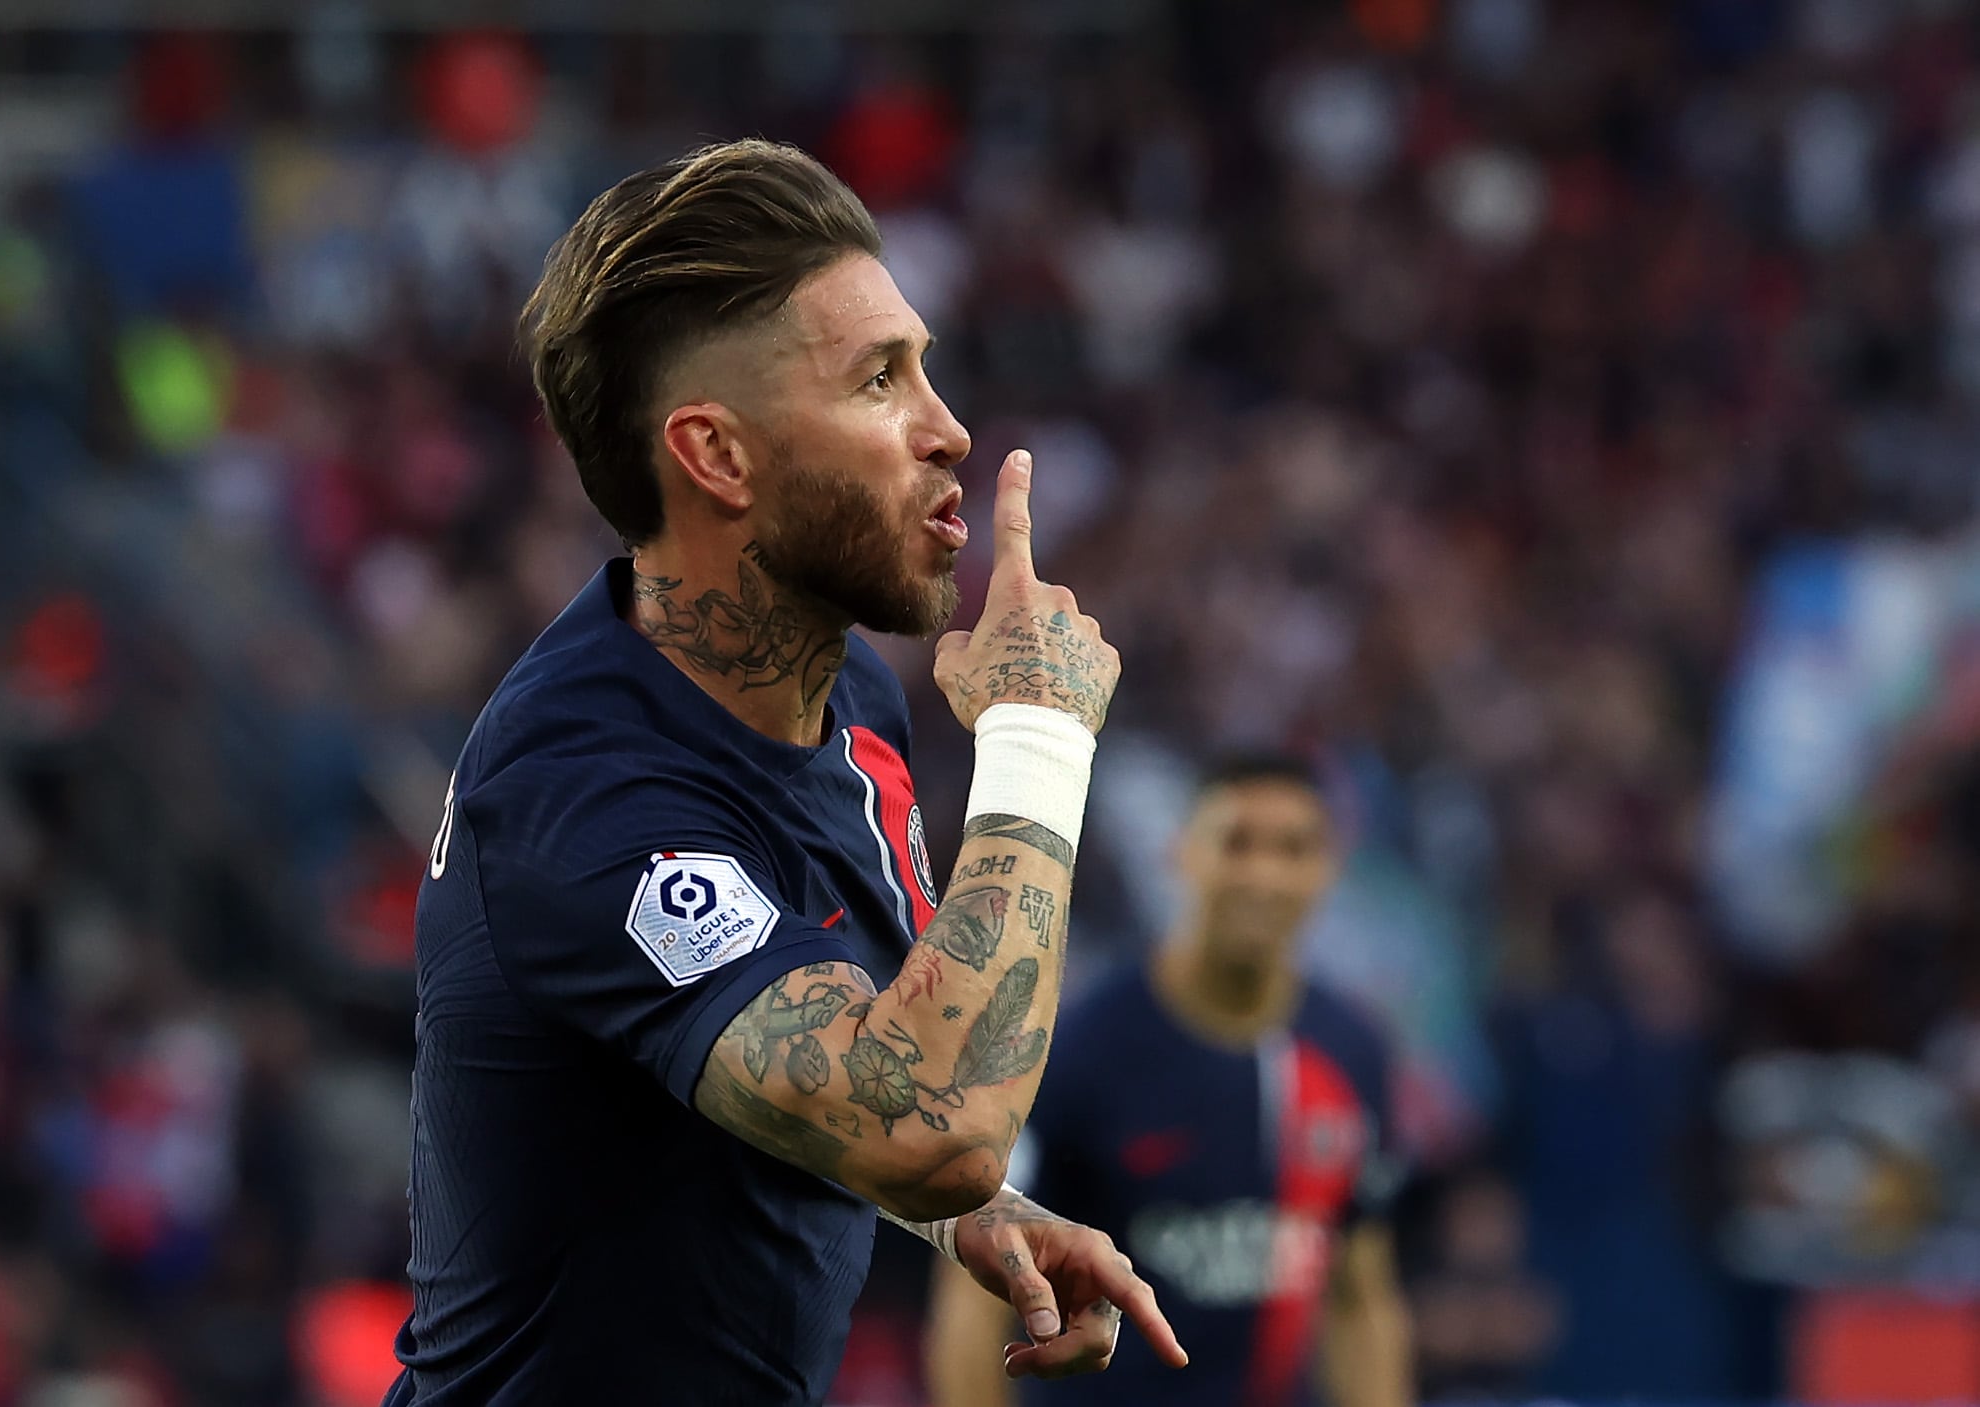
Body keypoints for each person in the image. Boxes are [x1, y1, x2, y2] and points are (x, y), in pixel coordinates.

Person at [382, 139, 1186, 1407]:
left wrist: (964, 1218)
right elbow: (931, 1121)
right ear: (716, 455)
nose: (948, 430)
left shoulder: (846, 694)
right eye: (879, 381)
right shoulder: (580, 798)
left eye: (924, 367)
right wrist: (1037, 739)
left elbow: (847, 1063)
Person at [926, 754, 1412, 1407]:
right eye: (1237, 842)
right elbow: (974, 1299)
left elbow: (1361, 1299)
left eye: (1293, 848)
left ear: (1328, 868)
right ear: (1180, 852)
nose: (1264, 874)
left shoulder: (1351, 1053)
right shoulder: (1076, 1050)